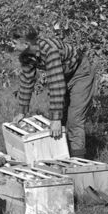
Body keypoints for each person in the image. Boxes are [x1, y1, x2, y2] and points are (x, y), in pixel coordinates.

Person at [12, 26, 97, 158]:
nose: (13, 47)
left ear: (26, 44)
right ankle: (60, 157)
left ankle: (78, 163)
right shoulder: (26, 56)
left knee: (74, 120)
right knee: (60, 119)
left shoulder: (50, 51)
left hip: (80, 74)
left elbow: (56, 84)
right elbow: (26, 81)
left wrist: (55, 118)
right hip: (63, 74)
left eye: (14, 43)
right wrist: (22, 111)